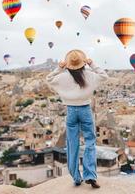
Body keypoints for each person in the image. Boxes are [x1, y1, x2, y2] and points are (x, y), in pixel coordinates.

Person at [46, 49, 108, 189]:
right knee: (90, 142)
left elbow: (48, 79)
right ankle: (90, 175)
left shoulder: (62, 77)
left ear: (68, 64)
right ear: (82, 63)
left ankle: (76, 177)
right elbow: (104, 76)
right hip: (85, 110)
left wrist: (59, 68)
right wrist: (92, 64)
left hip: (71, 111)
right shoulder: (89, 75)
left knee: (72, 144)